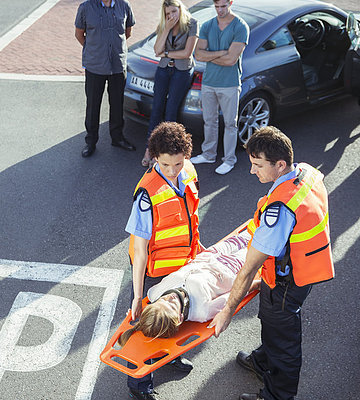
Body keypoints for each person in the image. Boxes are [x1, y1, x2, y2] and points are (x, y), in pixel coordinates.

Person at [209, 127, 335, 400]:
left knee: (283, 340)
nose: (253, 171)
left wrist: (227, 310)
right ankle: (264, 361)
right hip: (306, 267)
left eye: (258, 165)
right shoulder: (306, 172)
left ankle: (277, 395)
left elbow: (250, 267)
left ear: (280, 165)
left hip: (287, 283)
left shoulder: (279, 211)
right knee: (270, 319)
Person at [125, 121, 202, 400]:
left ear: (186, 157)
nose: (173, 171)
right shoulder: (147, 193)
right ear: (155, 157)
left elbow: (190, 218)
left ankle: (170, 356)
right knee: (147, 329)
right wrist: (137, 295)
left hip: (181, 265)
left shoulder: (189, 172)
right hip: (153, 273)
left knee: (175, 318)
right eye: (166, 165)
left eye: (178, 164)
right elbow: (141, 249)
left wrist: (198, 247)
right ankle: (140, 384)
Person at [118, 231, 258, 346]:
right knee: (259, 243)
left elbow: (153, 307)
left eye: (163, 300)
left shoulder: (154, 293)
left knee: (248, 232)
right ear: (179, 318)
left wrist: (139, 312)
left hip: (210, 254)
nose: (170, 298)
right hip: (232, 267)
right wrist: (257, 283)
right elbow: (234, 295)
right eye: (172, 306)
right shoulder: (202, 311)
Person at [190, 0, 249, 175]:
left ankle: (229, 160)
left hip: (229, 84)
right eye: (217, 7)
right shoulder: (208, 25)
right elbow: (198, 54)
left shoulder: (241, 26)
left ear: (230, 3)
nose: (220, 10)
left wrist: (209, 56)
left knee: (230, 123)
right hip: (209, 82)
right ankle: (208, 154)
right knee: (209, 121)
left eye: (223, 6)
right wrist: (221, 52)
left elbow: (231, 60)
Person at [75, 0, 137, 158]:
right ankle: (91, 142)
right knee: (93, 105)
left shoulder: (124, 5)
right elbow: (79, 34)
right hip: (95, 65)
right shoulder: (86, 7)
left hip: (117, 64)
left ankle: (117, 138)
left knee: (117, 104)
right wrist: (95, 49)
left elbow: (127, 32)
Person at [142, 0, 198, 168]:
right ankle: (150, 150)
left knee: (171, 111)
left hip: (181, 72)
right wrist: (166, 29)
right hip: (164, 70)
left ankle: (166, 153)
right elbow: (156, 50)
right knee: (156, 109)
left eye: (174, 11)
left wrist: (166, 53)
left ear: (180, 9)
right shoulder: (164, 25)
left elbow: (187, 53)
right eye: (168, 14)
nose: (172, 16)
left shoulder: (192, 24)